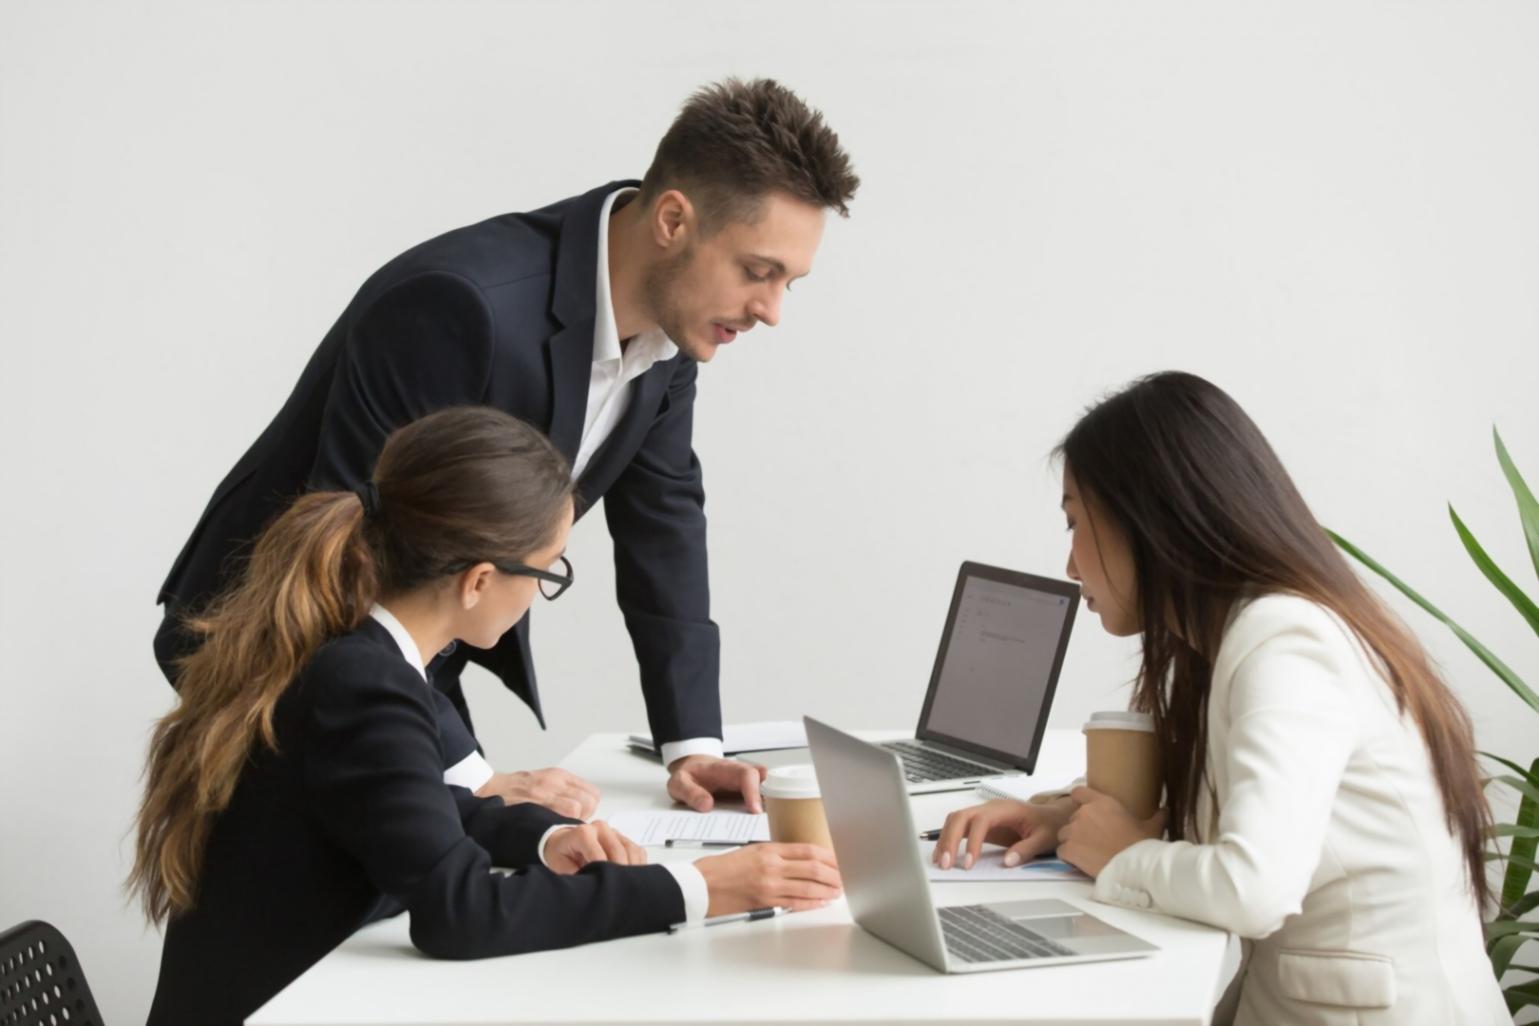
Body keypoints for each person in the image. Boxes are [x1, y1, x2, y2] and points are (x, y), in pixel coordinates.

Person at [153, 77, 860, 820]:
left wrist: (693, 747)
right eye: (758, 272)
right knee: (344, 911)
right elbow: (358, 555)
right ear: (673, 220)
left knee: (470, 877)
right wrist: (467, 773)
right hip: (270, 645)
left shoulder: (674, 328)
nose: (771, 311)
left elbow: (664, 525)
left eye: (790, 282)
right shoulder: (459, 304)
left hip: (400, 649)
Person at [131, 407, 842, 1026]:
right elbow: (459, 915)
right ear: (478, 581)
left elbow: (394, 810)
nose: (541, 593)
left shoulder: (351, 656)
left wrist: (541, 839)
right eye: (548, 571)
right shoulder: (365, 684)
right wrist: (702, 887)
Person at [932, 372, 1508, 1025]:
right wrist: (1067, 821)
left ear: (1144, 519)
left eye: (1073, 522)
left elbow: (1252, 888)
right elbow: (1234, 809)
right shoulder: (1240, 635)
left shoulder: (1285, 643)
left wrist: (1120, 856)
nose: (1069, 565)